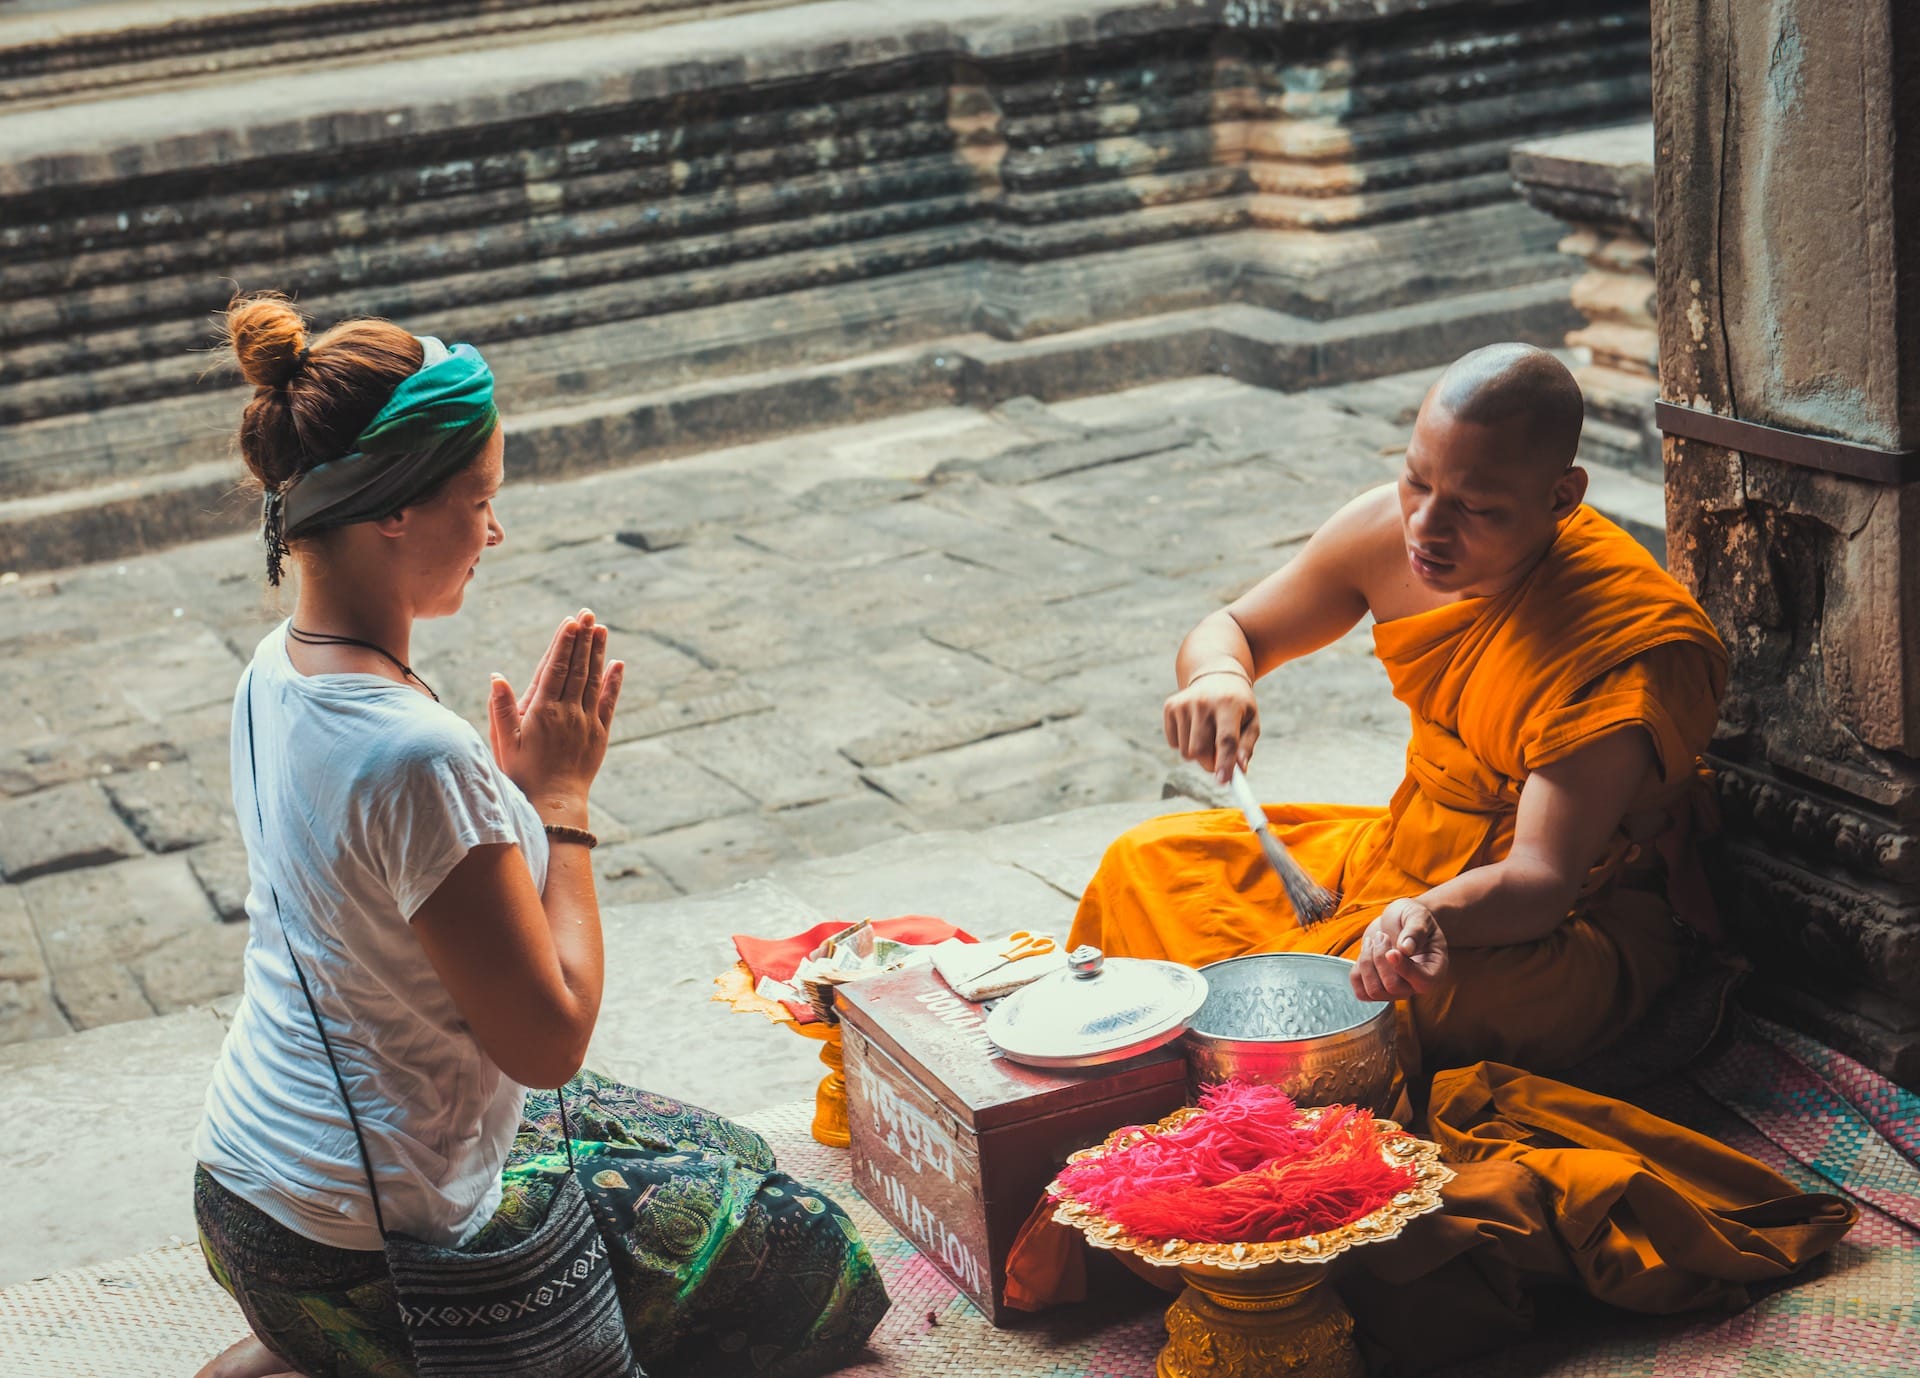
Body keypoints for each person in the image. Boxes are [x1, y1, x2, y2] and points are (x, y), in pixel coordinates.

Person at [1004, 344, 1854, 1361]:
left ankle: (1249, 1183)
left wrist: (1430, 915)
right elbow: (1234, 625)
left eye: (1479, 508)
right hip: (1398, 847)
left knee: (1363, 1004)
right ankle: (1209, 1123)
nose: (1426, 526)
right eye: (1417, 478)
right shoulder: (1394, 532)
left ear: (1563, 496)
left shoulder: (1620, 645)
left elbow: (1540, 881)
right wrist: (1222, 678)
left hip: (1551, 920)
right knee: (1151, 862)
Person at [191, 293, 888, 1378]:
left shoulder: (276, 668)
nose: (494, 531)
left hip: (246, 1188)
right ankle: (350, 1346)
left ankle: (306, 1348)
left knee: (728, 1152)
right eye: (479, 499)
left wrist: (501, 806)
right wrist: (559, 804)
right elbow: (550, 1040)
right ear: (394, 512)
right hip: (357, 1248)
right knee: (817, 1260)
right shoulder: (416, 754)